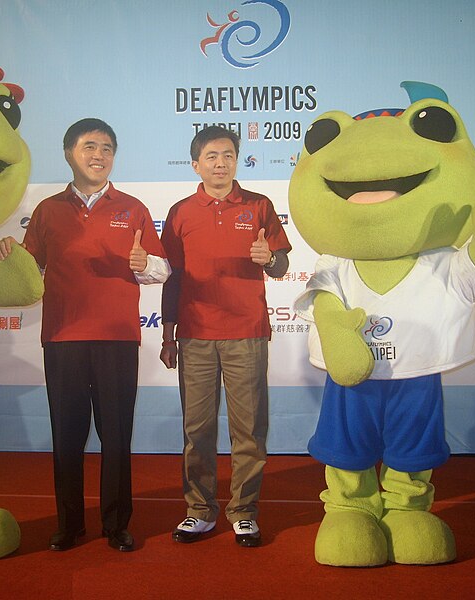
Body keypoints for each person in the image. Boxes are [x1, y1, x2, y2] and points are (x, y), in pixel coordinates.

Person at [0, 118, 170, 552]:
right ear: (70, 153)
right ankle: (69, 524)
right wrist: (7, 258)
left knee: (116, 435)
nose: (99, 155)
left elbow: (162, 270)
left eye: (107, 148)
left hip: (117, 338)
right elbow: (29, 271)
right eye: (90, 146)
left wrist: (143, 263)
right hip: (63, 337)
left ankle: (117, 525)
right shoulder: (48, 211)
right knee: (66, 436)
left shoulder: (133, 208)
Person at [159, 125, 291, 547]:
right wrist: (167, 333)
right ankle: (199, 510)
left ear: (238, 160)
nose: (220, 163)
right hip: (195, 336)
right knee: (196, 429)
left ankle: (244, 512)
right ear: (196, 164)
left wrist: (270, 258)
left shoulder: (258, 206)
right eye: (212, 156)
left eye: (228, 155)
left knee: (249, 430)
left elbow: (281, 264)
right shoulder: (180, 212)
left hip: (246, 333)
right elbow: (171, 278)